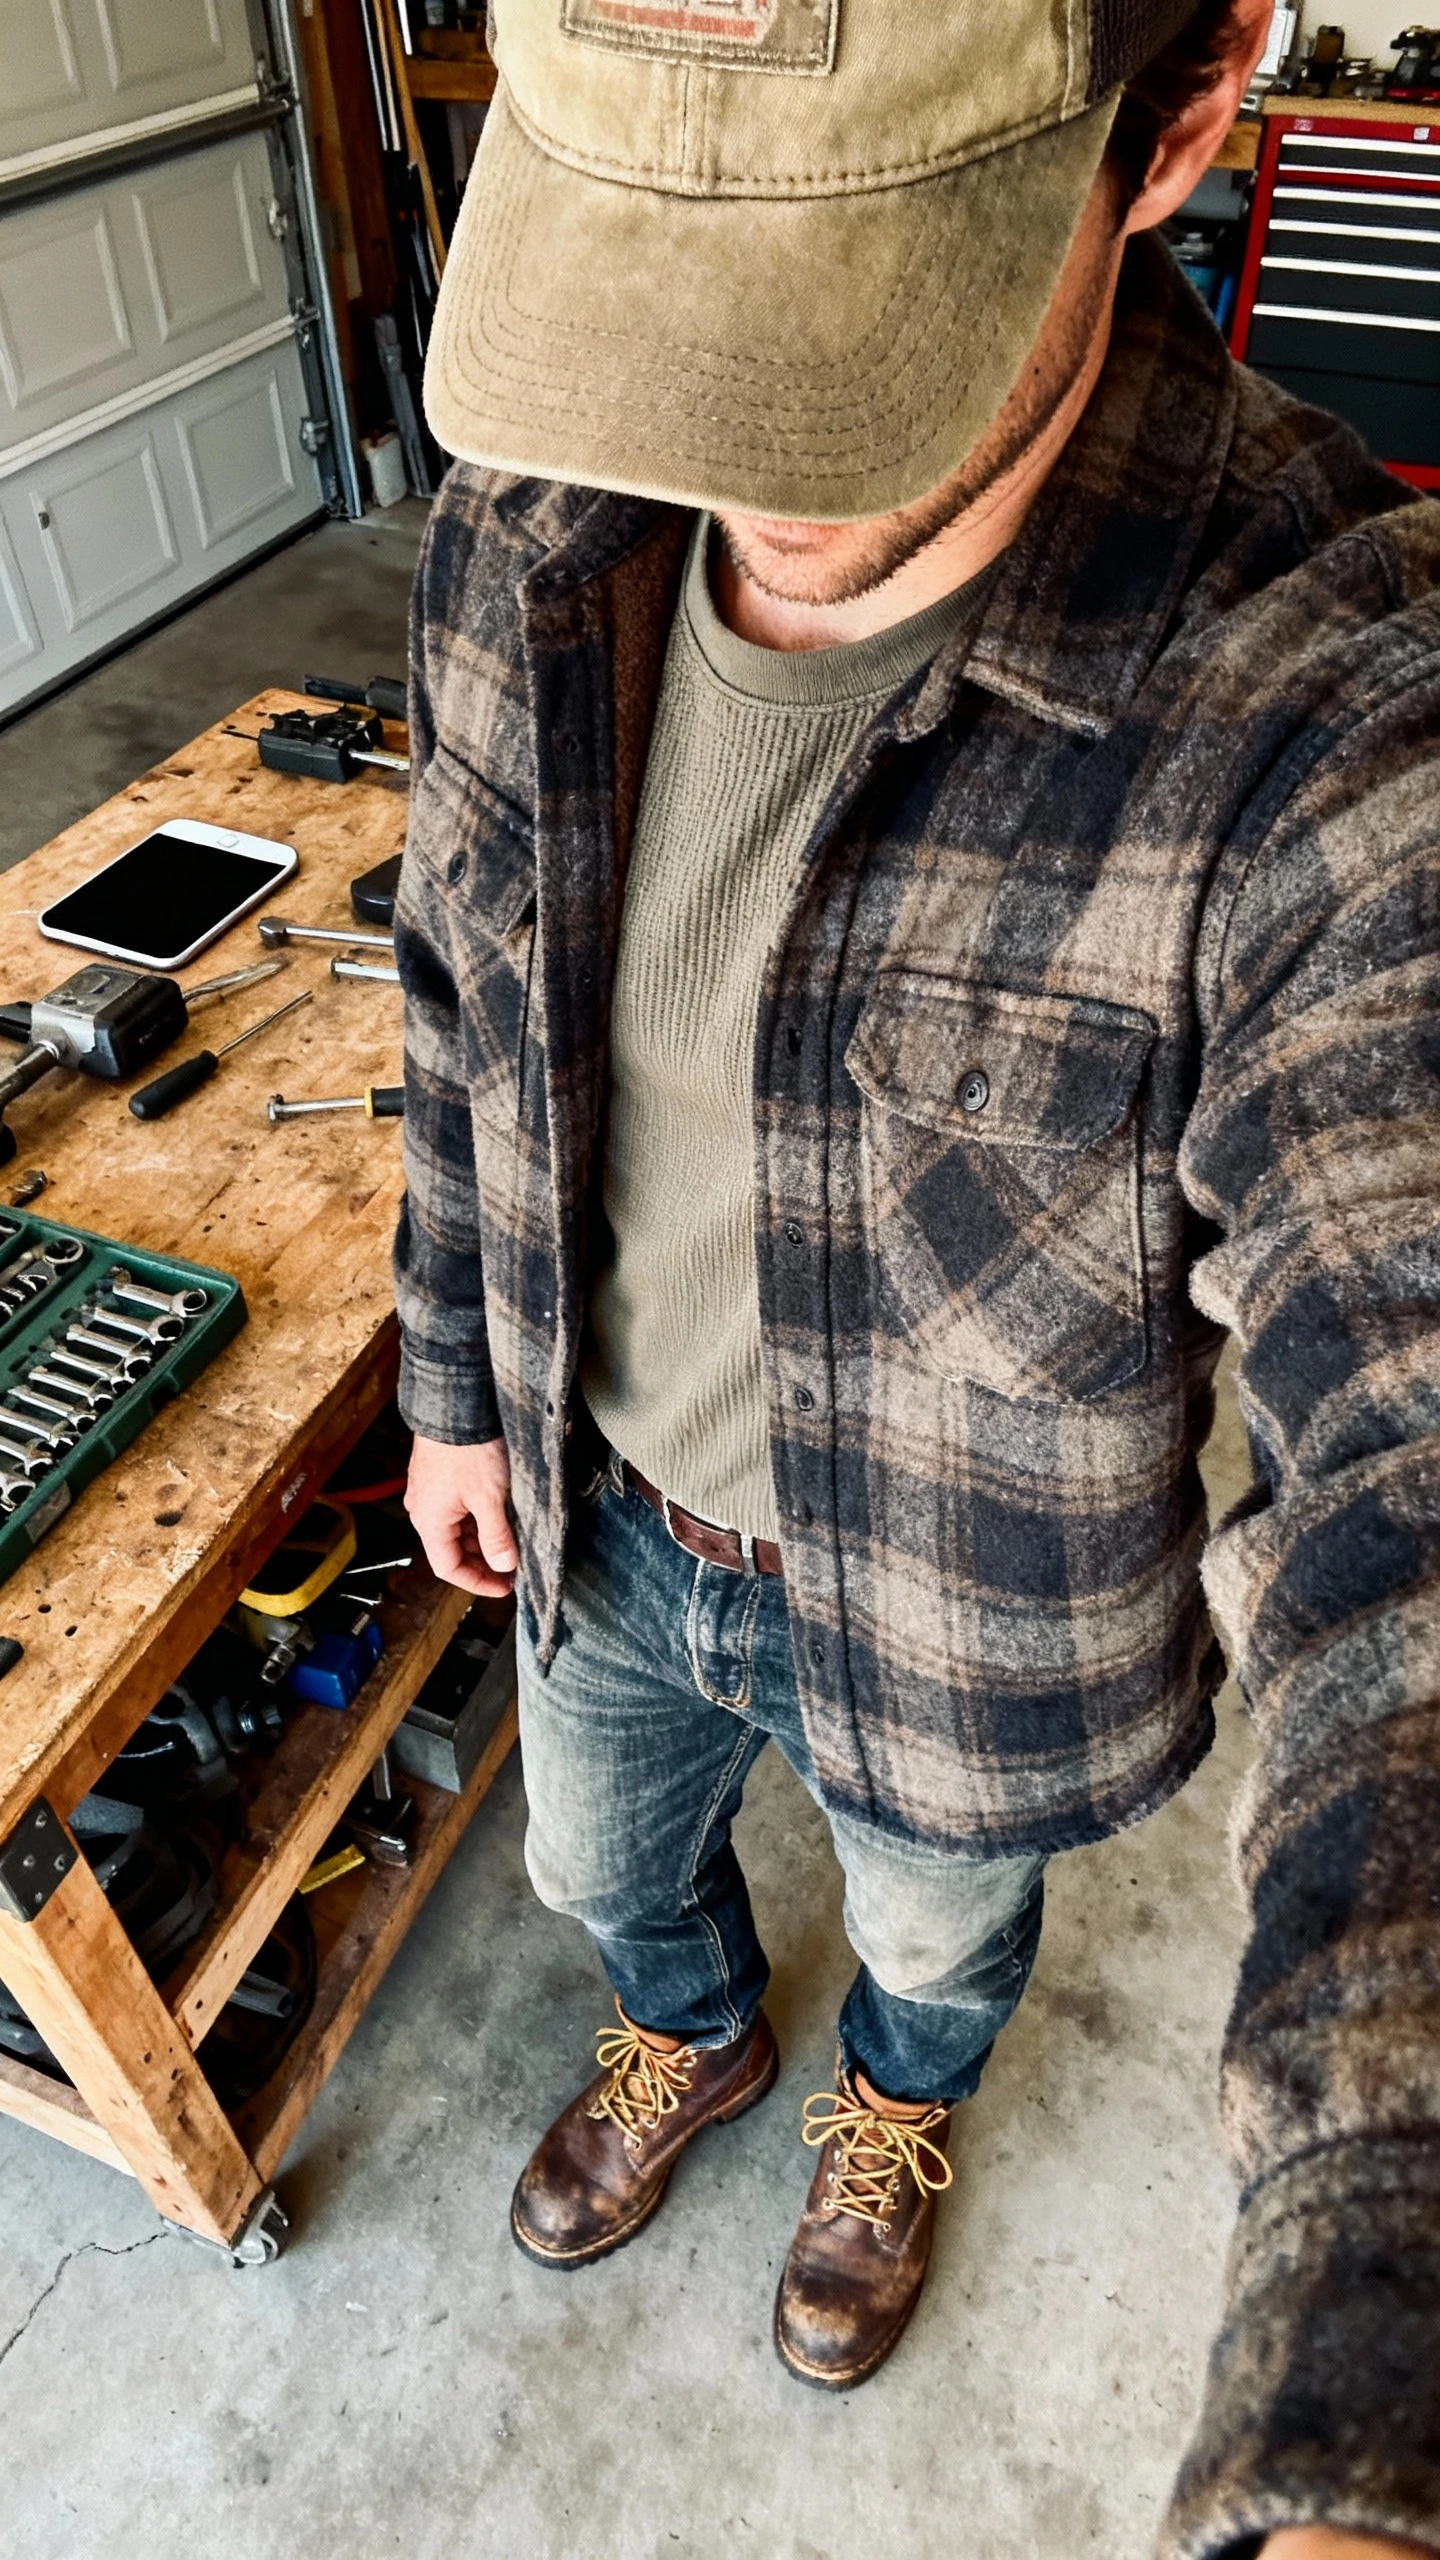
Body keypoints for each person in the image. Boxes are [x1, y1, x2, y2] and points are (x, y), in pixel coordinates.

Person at [395, 1, 1440, 2551]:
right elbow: (460, 1000)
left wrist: (1374, 2401)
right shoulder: (534, 524)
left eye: (844, 293)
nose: (718, 435)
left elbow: (1410, 1472)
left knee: (942, 1938)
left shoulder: (1329, 710)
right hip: (593, 1499)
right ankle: (691, 2039)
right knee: (594, 1876)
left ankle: (890, 2096)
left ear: (1185, 113)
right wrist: (448, 1371)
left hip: (959, 1615)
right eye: (660, 259)